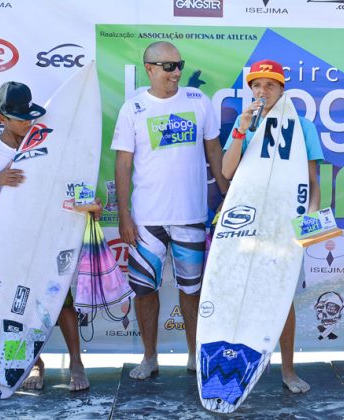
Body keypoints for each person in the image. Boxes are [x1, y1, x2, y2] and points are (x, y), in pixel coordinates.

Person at [112, 41, 228, 380]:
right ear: (149, 68)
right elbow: (122, 164)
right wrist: (123, 216)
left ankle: (195, 355)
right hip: (146, 220)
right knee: (145, 292)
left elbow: (214, 152)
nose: (176, 72)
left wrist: (226, 198)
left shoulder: (198, 101)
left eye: (179, 65)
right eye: (168, 66)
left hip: (191, 216)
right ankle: (150, 358)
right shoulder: (133, 109)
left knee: (192, 292)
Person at [0, 81, 89, 391]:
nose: (28, 123)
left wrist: (86, 202)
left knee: (61, 302)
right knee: (14, 305)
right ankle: (33, 363)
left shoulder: (44, 143)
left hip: (46, 238)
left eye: (30, 117)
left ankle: (77, 362)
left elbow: (65, 182)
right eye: (20, 118)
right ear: (1, 119)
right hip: (4, 244)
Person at [221, 59, 323, 393]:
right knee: (239, 295)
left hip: (284, 224)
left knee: (281, 297)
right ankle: (236, 367)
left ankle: (288, 370)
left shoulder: (302, 125)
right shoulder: (244, 122)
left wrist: (310, 222)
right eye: (256, 85)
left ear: (282, 90)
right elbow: (227, 171)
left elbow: (312, 180)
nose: (262, 91)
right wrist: (241, 128)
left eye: (269, 85)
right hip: (246, 223)